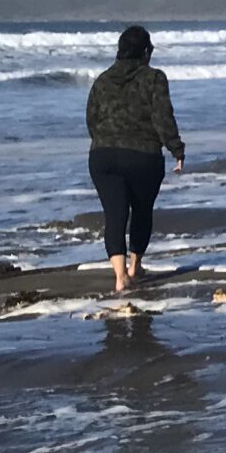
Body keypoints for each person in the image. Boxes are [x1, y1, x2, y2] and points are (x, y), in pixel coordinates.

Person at [84, 24, 185, 296]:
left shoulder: (102, 80)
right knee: (141, 211)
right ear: (145, 52)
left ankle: (119, 277)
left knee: (114, 215)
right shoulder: (154, 78)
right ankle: (134, 267)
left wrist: (104, 142)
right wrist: (176, 149)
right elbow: (162, 117)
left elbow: (91, 118)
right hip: (143, 157)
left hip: (103, 156)